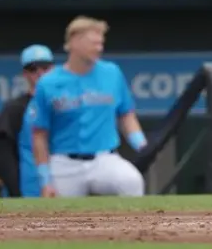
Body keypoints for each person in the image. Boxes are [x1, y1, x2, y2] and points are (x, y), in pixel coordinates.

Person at [29, 16, 147, 197]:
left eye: (101, 43)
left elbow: (126, 115)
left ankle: (136, 227)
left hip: (104, 158)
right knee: (57, 215)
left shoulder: (111, 73)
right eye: (94, 43)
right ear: (74, 42)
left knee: (131, 181)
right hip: (65, 162)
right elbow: (39, 135)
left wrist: (141, 144)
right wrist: (45, 180)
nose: (99, 48)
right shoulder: (48, 82)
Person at [0, 44, 54, 197]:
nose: (39, 73)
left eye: (45, 67)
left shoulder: (66, 104)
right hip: (31, 188)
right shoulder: (15, 108)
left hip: (68, 180)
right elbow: (4, 153)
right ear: (25, 74)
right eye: (33, 69)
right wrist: (15, 191)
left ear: (53, 68)